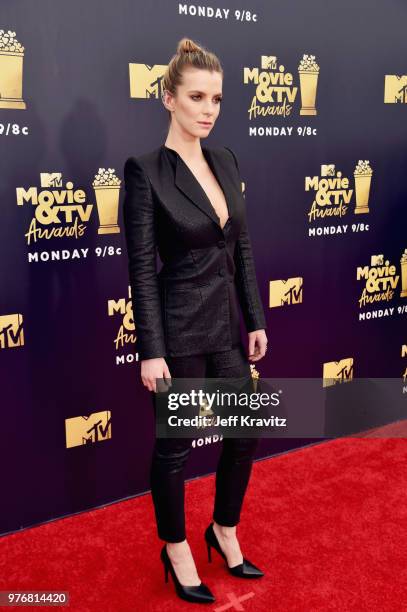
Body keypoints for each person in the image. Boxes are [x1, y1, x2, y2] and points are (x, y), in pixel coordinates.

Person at [123, 37, 268, 604]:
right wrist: (150, 350)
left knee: (246, 432)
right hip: (178, 328)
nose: (209, 109)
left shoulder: (226, 160)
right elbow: (140, 267)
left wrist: (254, 316)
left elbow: (244, 248)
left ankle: (223, 530)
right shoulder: (145, 172)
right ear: (168, 99)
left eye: (217, 99)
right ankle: (176, 547)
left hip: (227, 326)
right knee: (176, 449)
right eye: (197, 97)